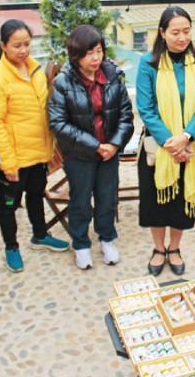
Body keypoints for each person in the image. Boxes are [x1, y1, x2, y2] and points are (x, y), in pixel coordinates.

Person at [0, 19, 69, 273]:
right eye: (16, 45)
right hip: (15, 157)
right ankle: (11, 246)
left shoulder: (35, 70)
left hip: (39, 152)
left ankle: (40, 235)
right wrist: (8, 162)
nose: (23, 50)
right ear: (3, 46)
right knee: (8, 205)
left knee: (36, 195)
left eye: (27, 44)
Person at [49, 25, 134, 270]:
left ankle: (107, 238)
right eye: (88, 53)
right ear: (76, 56)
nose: (95, 58)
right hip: (79, 154)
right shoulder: (63, 83)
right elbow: (58, 123)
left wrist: (115, 144)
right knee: (81, 199)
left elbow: (126, 115)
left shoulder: (113, 76)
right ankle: (81, 243)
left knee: (107, 197)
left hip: (109, 152)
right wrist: (96, 146)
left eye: (98, 51)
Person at [136, 7, 195, 276]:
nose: (182, 38)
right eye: (175, 32)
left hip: (189, 144)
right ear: (162, 33)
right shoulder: (148, 64)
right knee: (157, 201)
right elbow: (146, 108)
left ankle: (175, 247)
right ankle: (158, 248)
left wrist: (185, 137)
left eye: (187, 31)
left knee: (181, 202)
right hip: (158, 147)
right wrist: (171, 142)